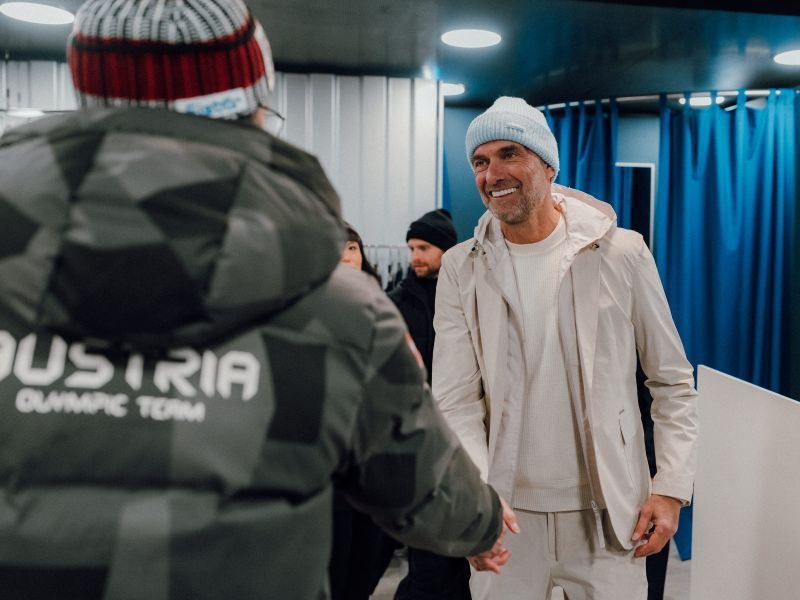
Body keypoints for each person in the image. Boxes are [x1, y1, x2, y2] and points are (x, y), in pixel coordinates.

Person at [0, 2, 513, 598]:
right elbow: (420, 485)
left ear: (89, 93)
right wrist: (482, 525)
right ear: (251, 105)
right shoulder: (340, 310)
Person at [433, 96, 699, 599]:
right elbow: (454, 400)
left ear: (548, 165)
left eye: (510, 154)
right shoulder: (460, 267)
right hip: (506, 515)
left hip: (610, 514)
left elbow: (671, 381)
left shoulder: (621, 252)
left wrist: (670, 487)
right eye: (480, 162)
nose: (493, 174)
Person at [388, 209, 471, 600]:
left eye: (423, 248)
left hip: (465, 436)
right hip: (417, 439)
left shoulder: (469, 296)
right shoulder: (396, 303)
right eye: (411, 249)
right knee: (427, 551)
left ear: (445, 249)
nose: (415, 257)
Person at [330, 221, 398, 600]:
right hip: (328, 463)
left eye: (352, 248)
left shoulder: (383, 308)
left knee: (369, 555)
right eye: (337, 248)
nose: (346, 256)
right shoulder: (302, 311)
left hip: (374, 458)